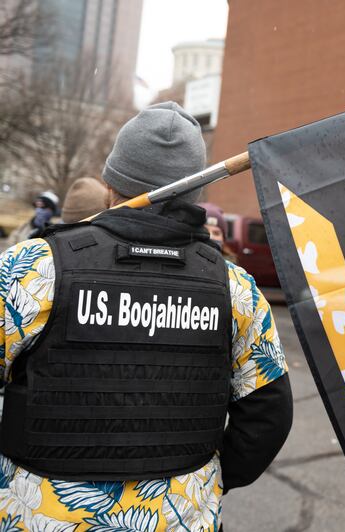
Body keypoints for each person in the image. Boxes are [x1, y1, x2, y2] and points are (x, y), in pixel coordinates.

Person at [0, 101, 292, 530]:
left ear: (110, 181)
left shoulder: (33, 268)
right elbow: (268, 413)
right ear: (195, 191)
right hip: (183, 516)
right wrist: (206, 480)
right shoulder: (236, 289)